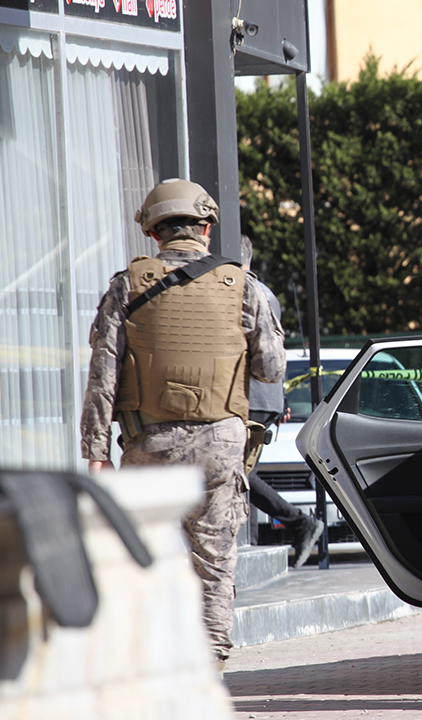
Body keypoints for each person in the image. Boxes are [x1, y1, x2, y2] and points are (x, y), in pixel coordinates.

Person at [80, 179, 286, 670]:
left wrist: (95, 452)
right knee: (214, 564)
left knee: (140, 559)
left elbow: (102, 374)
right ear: (207, 228)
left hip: (147, 442)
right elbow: (271, 370)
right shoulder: (244, 285)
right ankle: (209, 666)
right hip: (219, 443)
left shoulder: (126, 285)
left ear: (154, 234)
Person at [241, 234, 324, 569]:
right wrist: (281, 397)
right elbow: (272, 349)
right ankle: (298, 523)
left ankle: (298, 523)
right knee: (239, 473)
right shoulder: (268, 293)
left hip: (249, 396)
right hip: (265, 396)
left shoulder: (240, 290)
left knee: (234, 473)